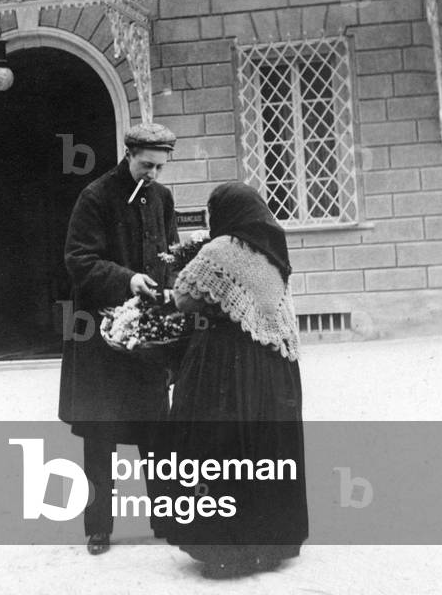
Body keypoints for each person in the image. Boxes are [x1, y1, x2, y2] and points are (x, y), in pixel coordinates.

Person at [163, 181, 308, 579]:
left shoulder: (220, 250)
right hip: (272, 369)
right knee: (265, 454)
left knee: (219, 448)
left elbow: (183, 298)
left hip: (225, 363)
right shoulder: (274, 251)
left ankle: (226, 549)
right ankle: (271, 543)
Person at [58, 122, 179, 555]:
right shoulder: (95, 197)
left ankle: (165, 518)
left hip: (147, 337)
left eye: (160, 167)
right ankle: (99, 528)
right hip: (101, 339)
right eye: (146, 165)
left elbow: (170, 253)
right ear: (128, 155)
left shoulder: (162, 197)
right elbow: (78, 260)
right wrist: (128, 280)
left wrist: (171, 290)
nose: (153, 174)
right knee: (101, 435)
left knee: (155, 433)